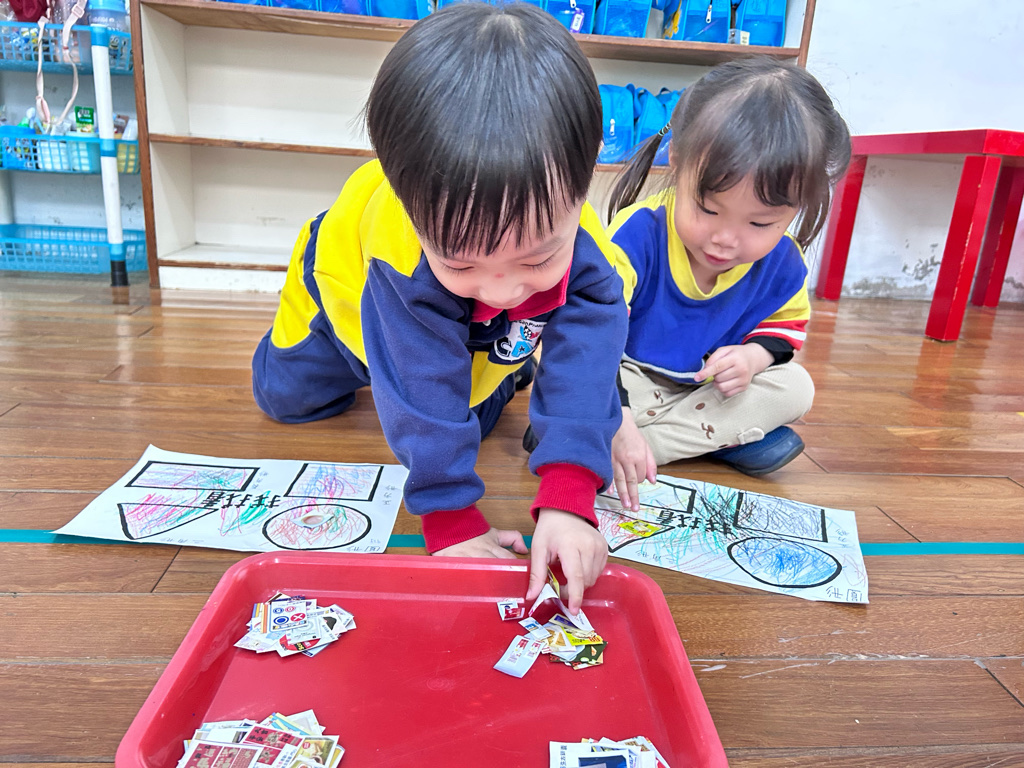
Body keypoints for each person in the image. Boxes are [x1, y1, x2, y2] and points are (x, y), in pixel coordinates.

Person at [251, 2, 635, 613]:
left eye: (537, 258)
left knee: (470, 403)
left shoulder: (588, 252)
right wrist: (450, 519)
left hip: (457, 322)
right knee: (287, 398)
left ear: (585, 186)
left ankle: (497, 358)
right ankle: (324, 354)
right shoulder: (399, 260)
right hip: (342, 300)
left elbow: (588, 367)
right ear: (411, 211)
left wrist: (569, 497)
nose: (504, 290)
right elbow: (418, 388)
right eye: (461, 262)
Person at [605, 58, 851, 511]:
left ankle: (635, 451)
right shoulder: (637, 234)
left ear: (798, 206)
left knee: (796, 388)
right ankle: (713, 438)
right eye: (708, 209)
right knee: (580, 385)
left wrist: (753, 357)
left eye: (759, 223)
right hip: (628, 380)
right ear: (677, 160)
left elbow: (783, 332)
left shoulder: (783, 263)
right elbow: (592, 337)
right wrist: (617, 417)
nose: (725, 239)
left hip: (705, 389)